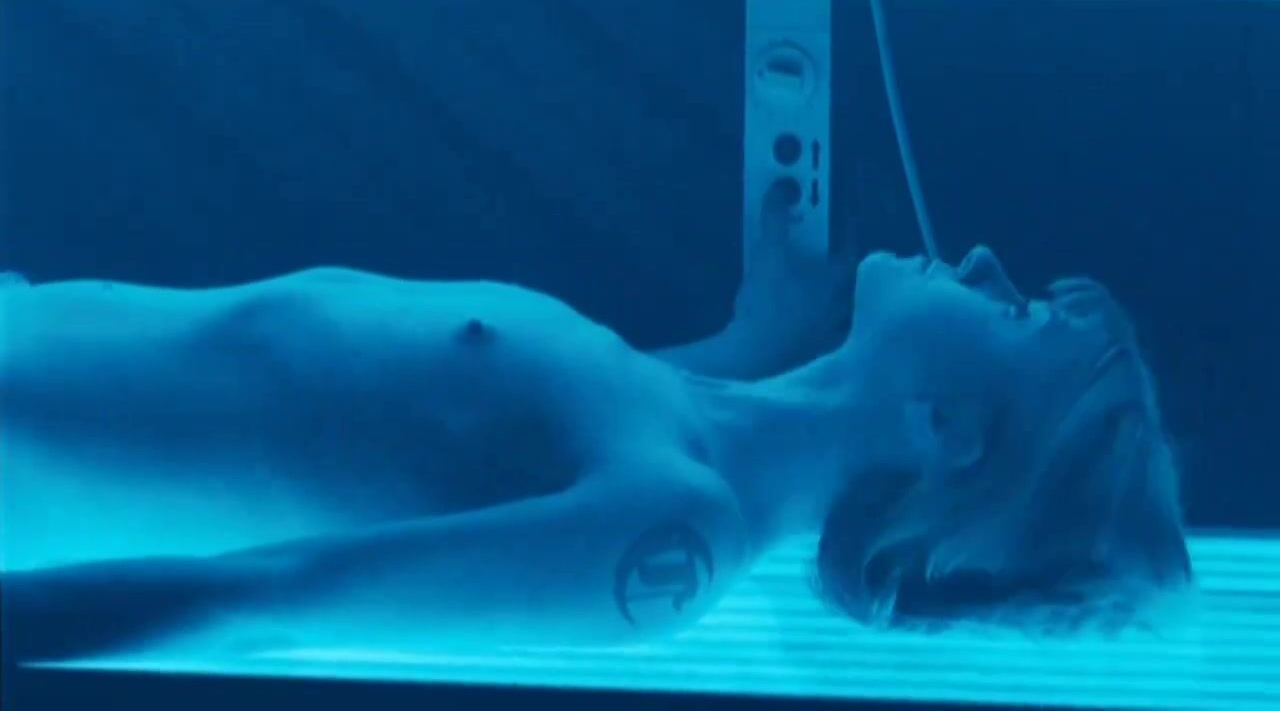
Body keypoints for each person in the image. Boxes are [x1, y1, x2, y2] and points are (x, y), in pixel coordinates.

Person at [0, 242, 1191, 663]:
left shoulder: (674, 534)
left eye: (1013, 310)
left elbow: (251, 602)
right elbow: (461, 423)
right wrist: (755, 335)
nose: (980, 260)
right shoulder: (681, 418)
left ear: (945, 430)